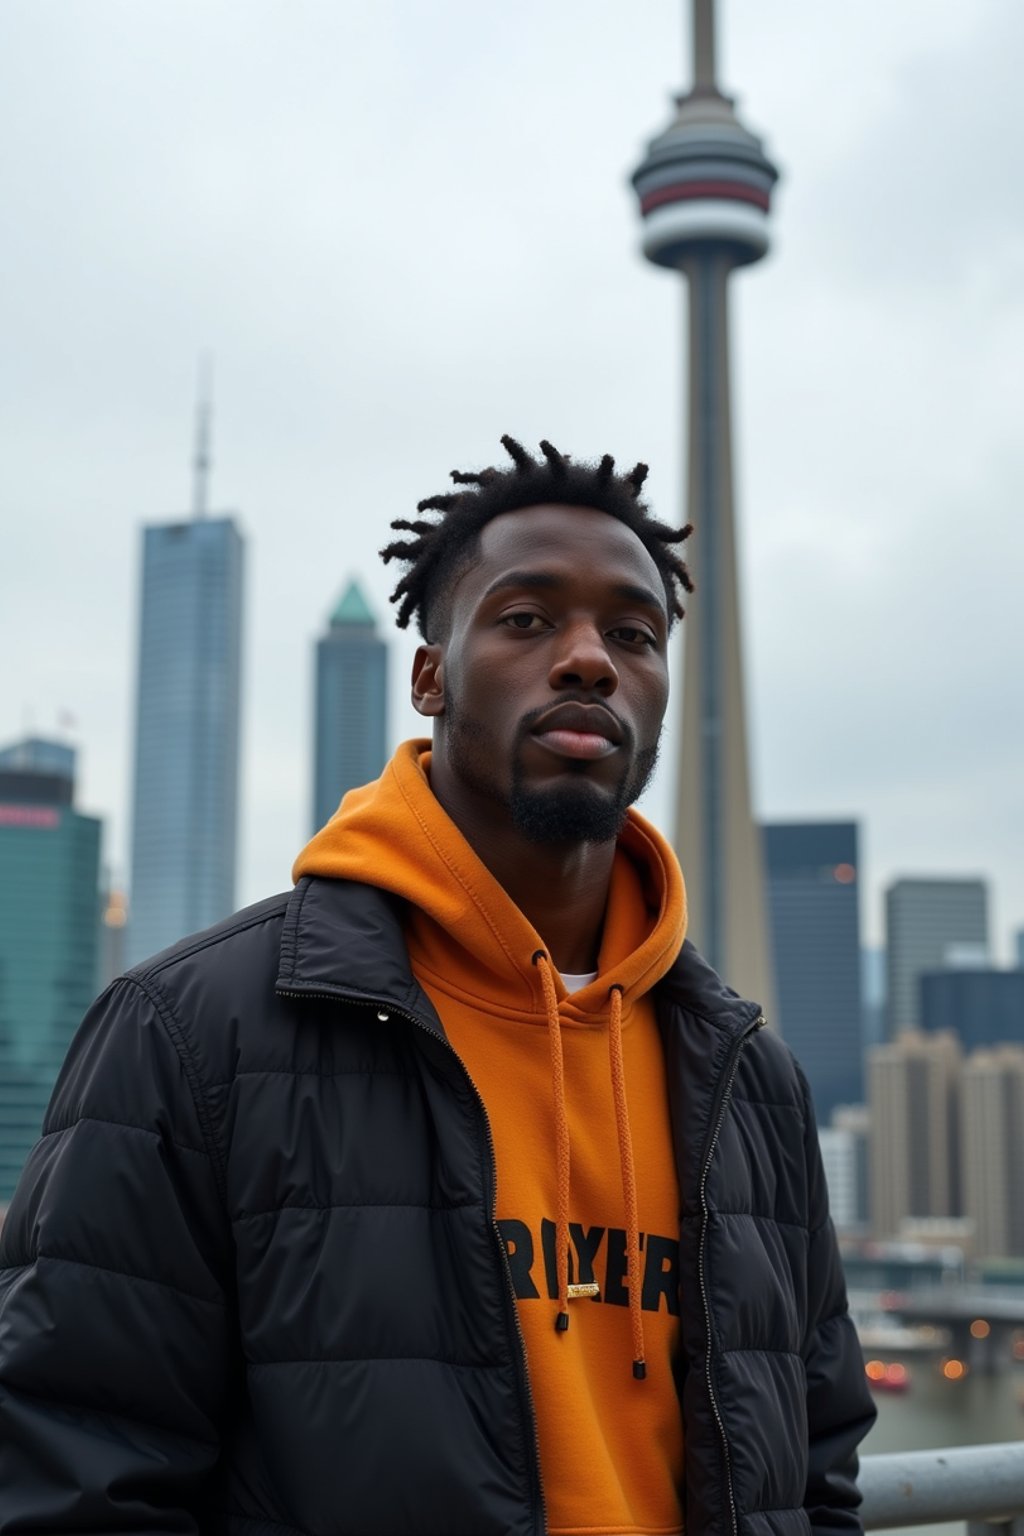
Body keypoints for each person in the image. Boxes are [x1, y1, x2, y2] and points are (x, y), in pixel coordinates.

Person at [0, 436, 875, 1536]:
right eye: (525, 620)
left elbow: (819, 1466)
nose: (588, 660)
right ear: (428, 675)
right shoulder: (191, 1033)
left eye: (632, 634)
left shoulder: (752, 1081)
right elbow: (79, 1470)